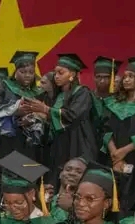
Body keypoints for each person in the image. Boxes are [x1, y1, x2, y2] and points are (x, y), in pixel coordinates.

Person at [26, 54, 97, 189]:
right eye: (55, 73)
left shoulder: (82, 92)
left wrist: (46, 110)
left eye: (61, 73)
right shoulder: (57, 95)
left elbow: (72, 115)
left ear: (72, 74)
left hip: (77, 142)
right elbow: (53, 120)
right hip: (58, 145)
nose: (56, 76)